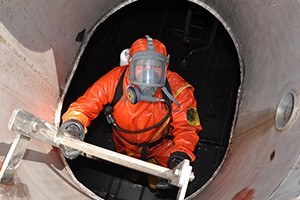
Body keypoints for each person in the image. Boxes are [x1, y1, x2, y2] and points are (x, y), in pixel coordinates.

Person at [59, 35, 202, 173]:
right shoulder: (115, 80)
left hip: (160, 146)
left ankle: (155, 175)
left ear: (166, 66)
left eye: (155, 66)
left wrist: (181, 155)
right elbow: (84, 106)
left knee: (171, 170)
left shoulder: (179, 90)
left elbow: (187, 128)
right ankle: (135, 173)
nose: (148, 73)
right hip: (124, 144)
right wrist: (74, 126)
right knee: (127, 168)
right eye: (141, 65)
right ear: (130, 64)